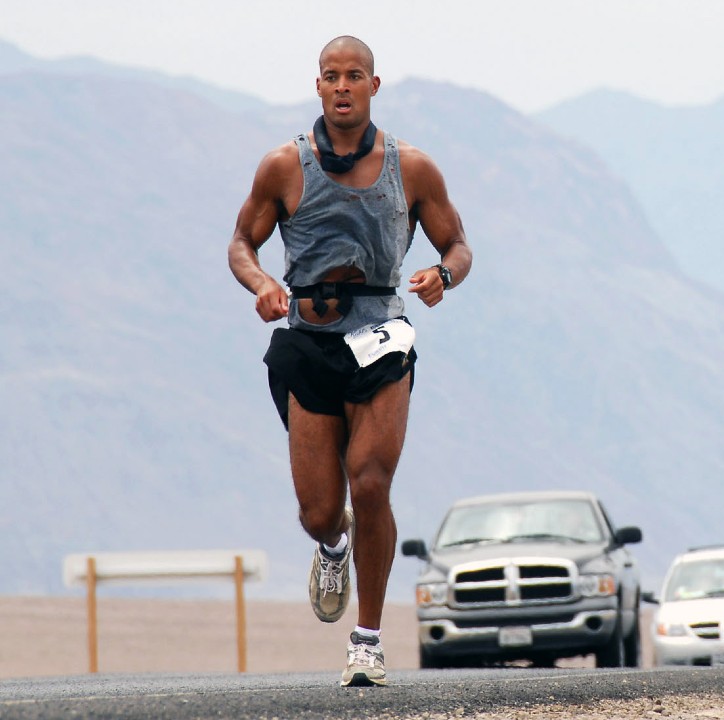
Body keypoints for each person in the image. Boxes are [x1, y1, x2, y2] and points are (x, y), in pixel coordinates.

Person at [228, 35, 472, 687]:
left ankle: (366, 641)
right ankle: (332, 545)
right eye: (331, 76)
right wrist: (262, 286)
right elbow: (241, 243)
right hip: (308, 339)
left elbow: (458, 245)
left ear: (374, 85)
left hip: (382, 336)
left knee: (371, 481)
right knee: (317, 510)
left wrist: (442, 275)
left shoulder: (412, 168)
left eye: (354, 75)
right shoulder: (284, 166)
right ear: (318, 87)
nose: (342, 86)